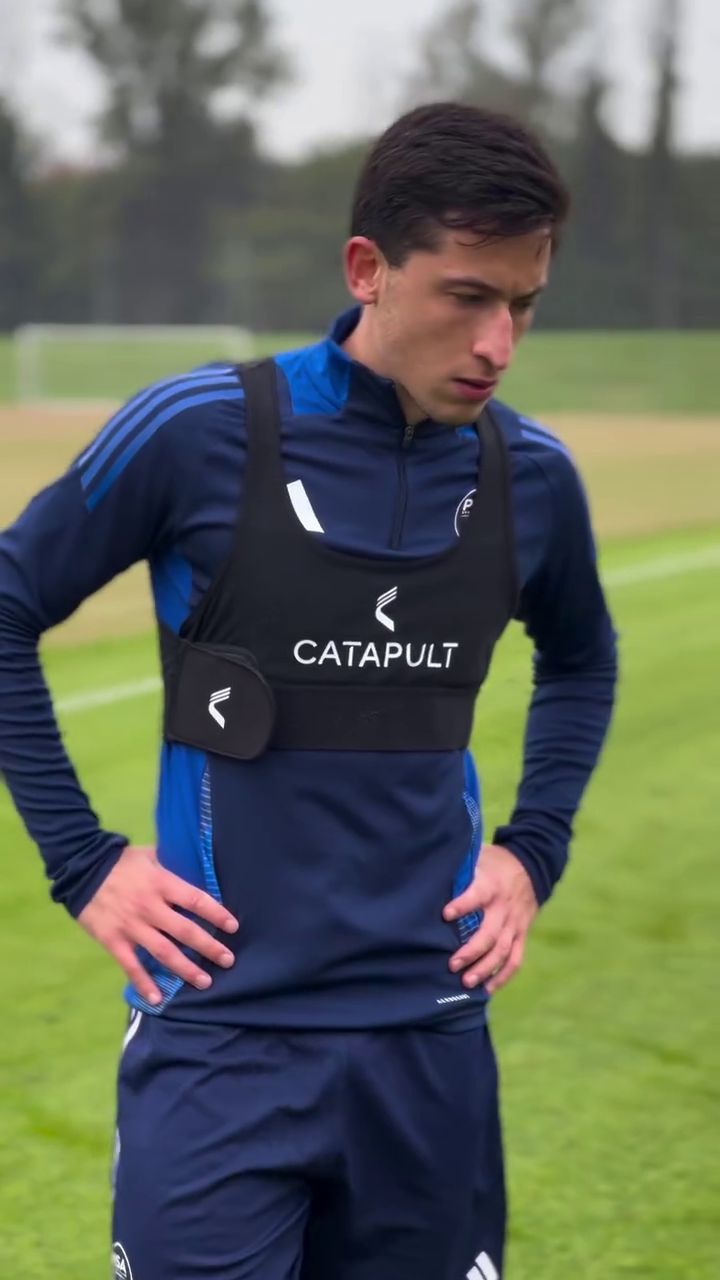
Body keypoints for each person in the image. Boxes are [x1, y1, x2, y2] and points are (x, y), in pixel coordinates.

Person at [0, 102, 617, 1280]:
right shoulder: (197, 432)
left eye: (524, 304)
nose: (498, 343)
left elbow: (583, 654)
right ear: (367, 269)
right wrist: (84, 862)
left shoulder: (531, 475)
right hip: (221, 1037)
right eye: (467, 296)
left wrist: (532, 848)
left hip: (430, 1042)